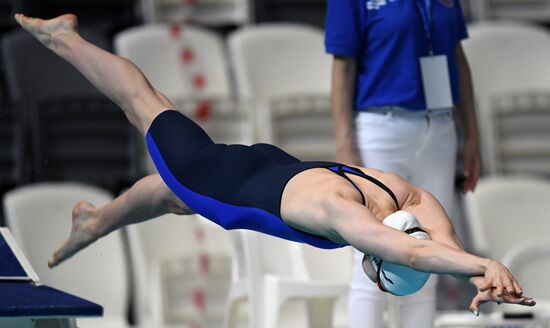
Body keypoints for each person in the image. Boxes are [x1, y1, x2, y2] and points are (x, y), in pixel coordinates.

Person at [14, 13, 534, 315]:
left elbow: (427, 245)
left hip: (268, 165)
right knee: (144, 105)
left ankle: (96, 221)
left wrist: (473, 267)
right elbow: (415, 255)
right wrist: (483, 265)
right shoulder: (343, 218)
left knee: (171, 196)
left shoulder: (401, 195)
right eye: (376, 272)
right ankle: (66, 39)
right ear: (374, 261)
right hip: (214, 180)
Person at [325, 0, 482, 326]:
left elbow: (457, 57)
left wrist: (472, 136)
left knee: (432, 251)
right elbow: (343, 65)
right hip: (381, 130)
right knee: (371, 256)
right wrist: (345, 145)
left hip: (439, 128)